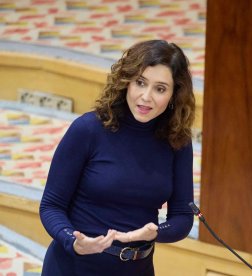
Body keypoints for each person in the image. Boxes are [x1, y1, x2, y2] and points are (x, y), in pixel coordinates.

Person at [39, 40, 196, 275]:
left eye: (160, 89)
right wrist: (72, 240)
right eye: (140, 83)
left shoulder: (177, 141)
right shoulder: (88, 129)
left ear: (175, 94)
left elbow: (182, 216)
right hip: (74, 267)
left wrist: (156, 232)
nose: (146, 97)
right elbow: (51, 205)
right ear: (126, 82)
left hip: (138, 268)